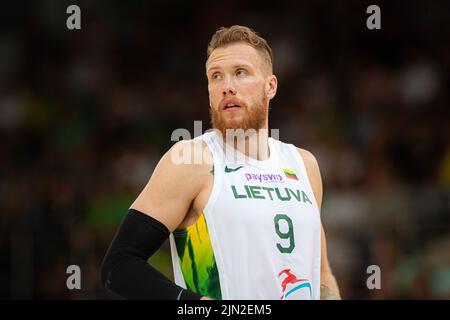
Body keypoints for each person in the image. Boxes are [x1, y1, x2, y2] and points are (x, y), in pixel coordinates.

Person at [101, 25, 341, 300]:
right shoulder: (192, 160)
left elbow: (321, 275)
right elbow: (118, 266)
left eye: (240, 73)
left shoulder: (303, 164)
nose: (227, 86)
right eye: (216, 76)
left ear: (270, 86)